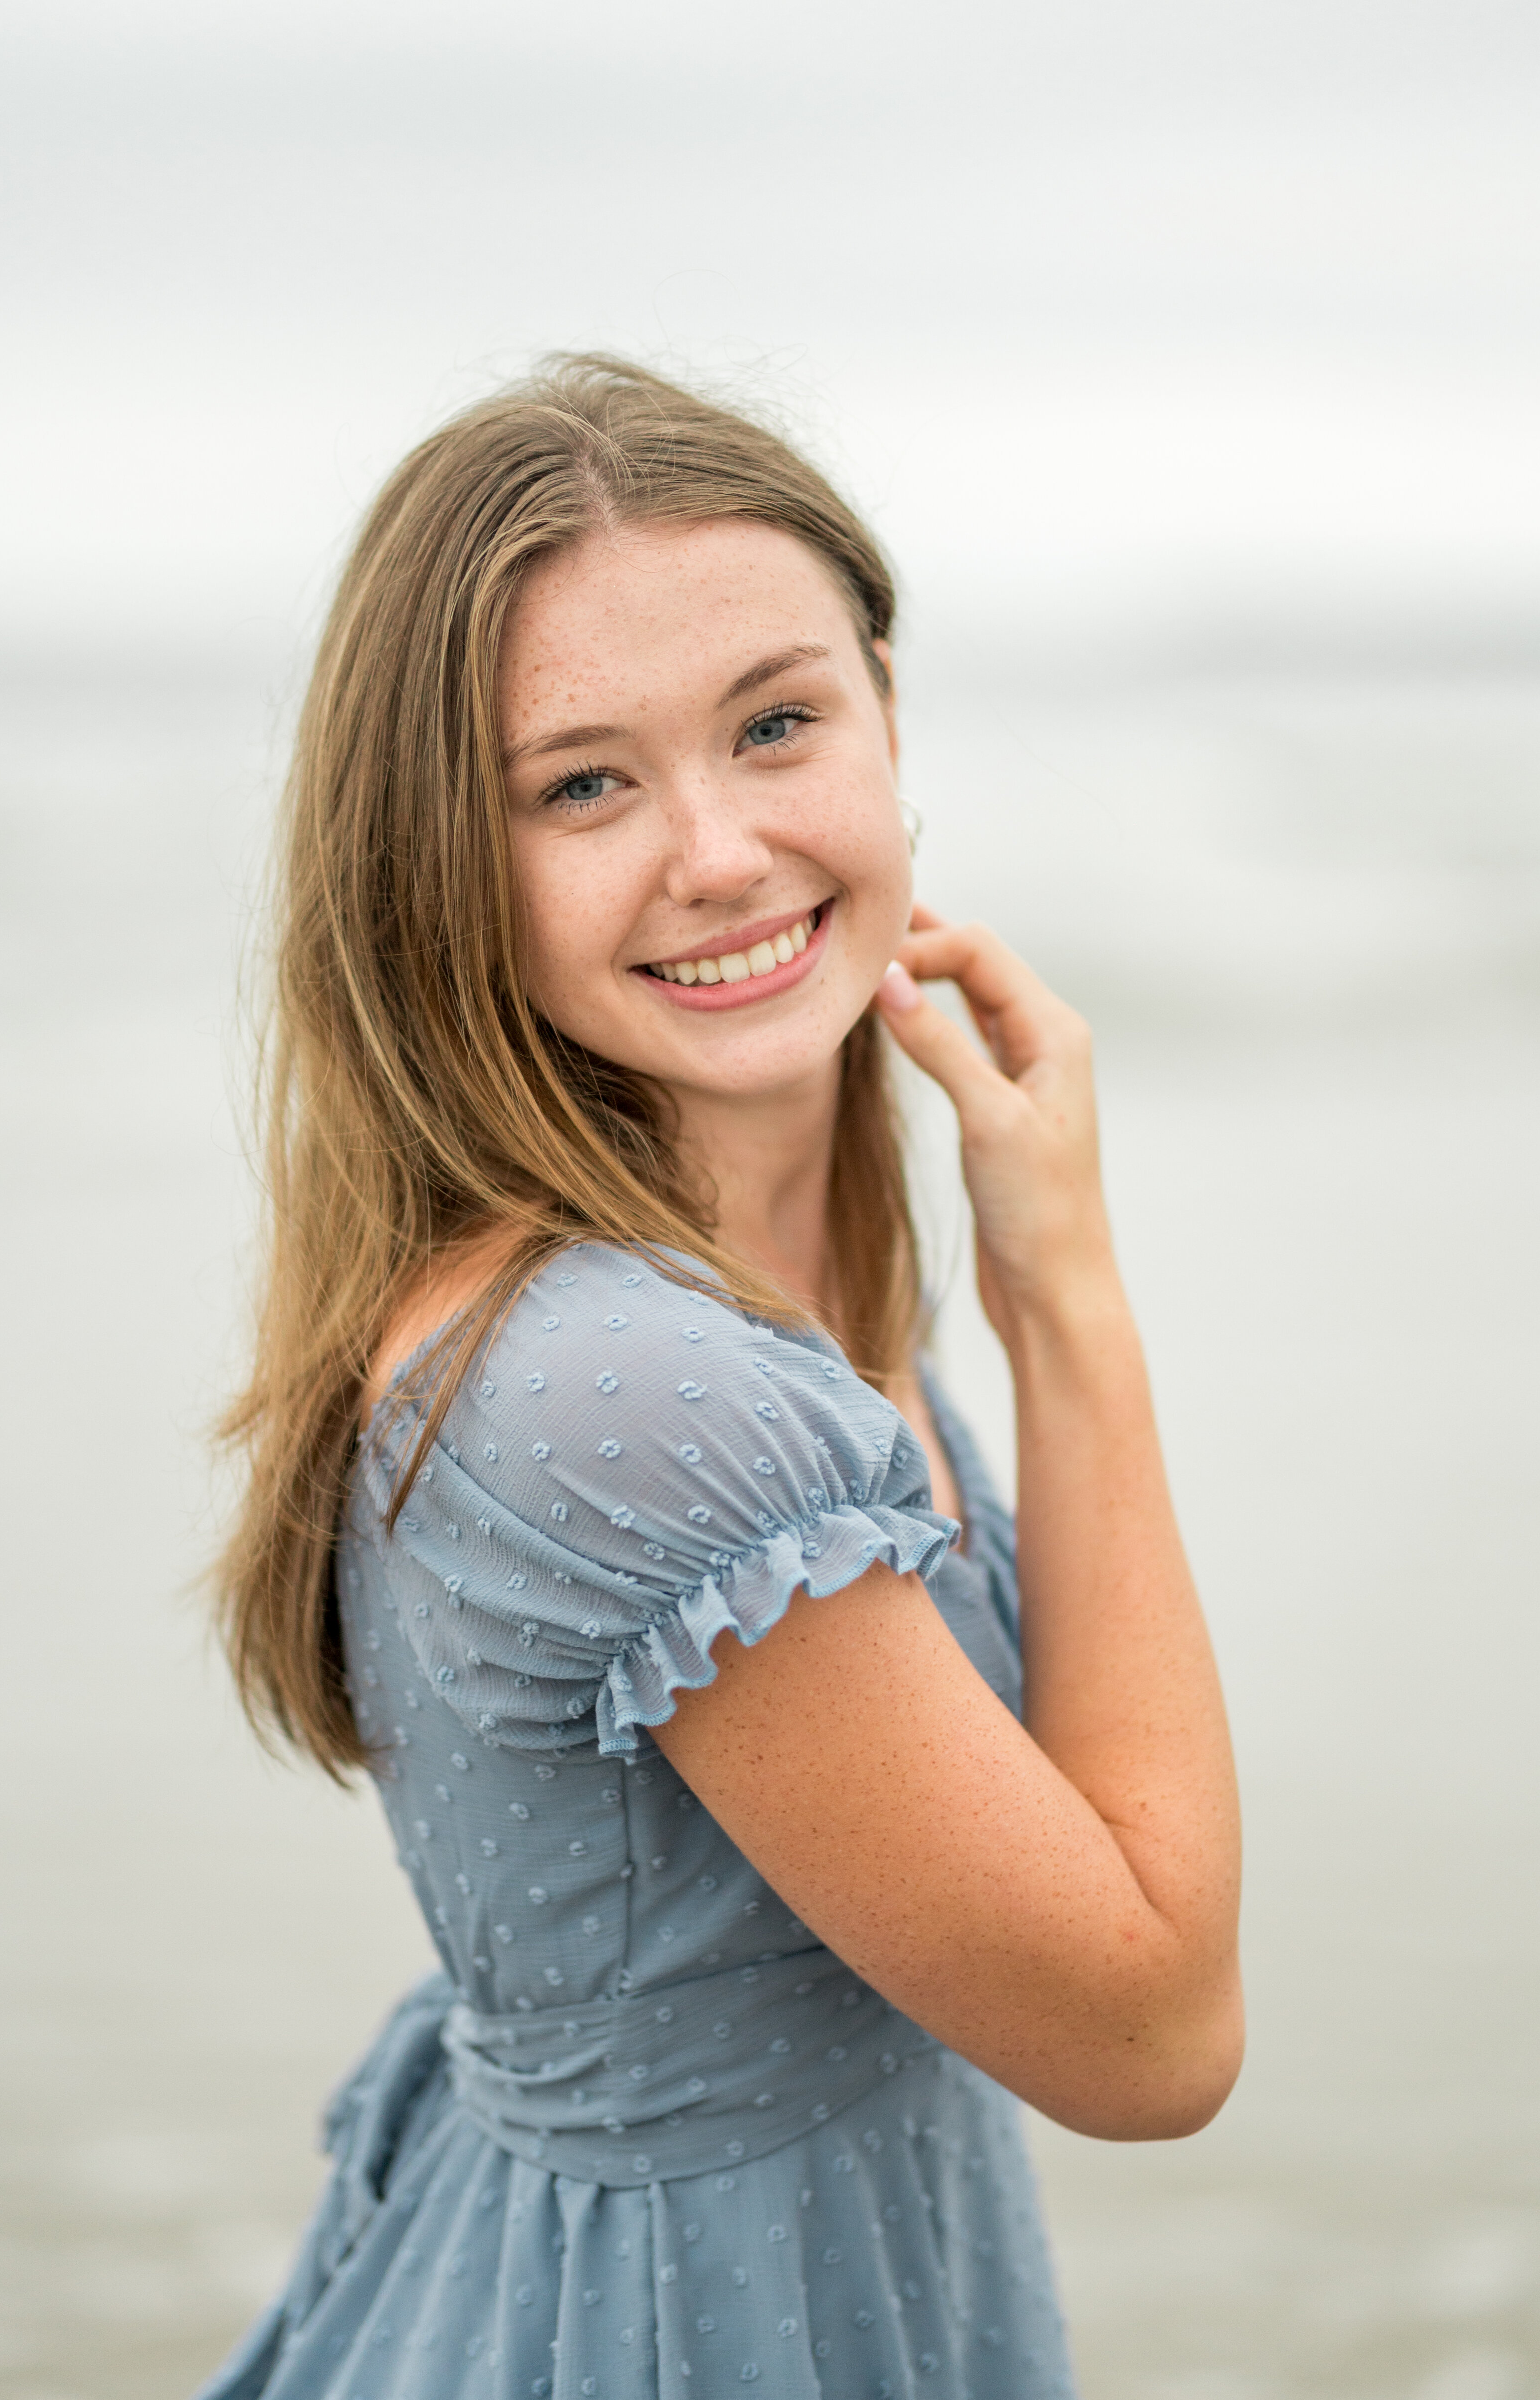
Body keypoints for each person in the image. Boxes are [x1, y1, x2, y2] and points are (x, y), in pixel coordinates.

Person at [202, 356, 1242, 2400]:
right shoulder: (622, 1390)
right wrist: (1066, 1298)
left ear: (883, 721)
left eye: (777, 724)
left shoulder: (740, 1287)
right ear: (438, 869)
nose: (719, 849)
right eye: (581, 784)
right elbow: (1151, 2040)